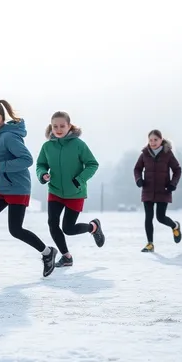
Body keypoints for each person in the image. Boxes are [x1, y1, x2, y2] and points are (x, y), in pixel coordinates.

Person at [0, 100, 58, 278]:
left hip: (18, 188)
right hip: (1, 188)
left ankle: (48, 252)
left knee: (15, 229)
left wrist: (0, 166)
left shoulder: (9, 137)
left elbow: (27, 160)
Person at [35, 111, 105, 268]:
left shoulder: (79, 145)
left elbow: (93, 164)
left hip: (75, 192)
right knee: (52, 223)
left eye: (62, 126)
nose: (58, 129)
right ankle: (66, 256)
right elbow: (41, 164)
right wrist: (43, 174)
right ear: (51, 127)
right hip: (55, 191)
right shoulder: (47, 146)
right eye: (55, 126)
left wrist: (79, 180)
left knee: (68, 228)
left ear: (69, 126)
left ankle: (93, 227)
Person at [133, 129, 182, 252]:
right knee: (148, 217)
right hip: (148, 190)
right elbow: (137, 169)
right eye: (150, 140)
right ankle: (150, 244)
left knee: (160, 217)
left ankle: (175, 226)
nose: (153, 142)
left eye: (155, 140)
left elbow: (177, 169)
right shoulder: (144, 154)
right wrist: (139, 179)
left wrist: (173, 184)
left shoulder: (168, 154)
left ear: (161, 140)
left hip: (163, 190)